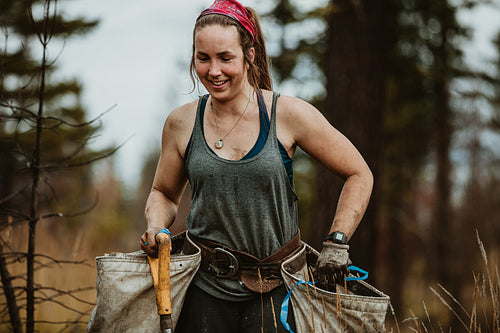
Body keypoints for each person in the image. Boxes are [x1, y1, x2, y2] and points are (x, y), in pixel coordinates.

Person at [140, 0, 373, 331]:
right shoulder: (181, 123)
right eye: (202, 58)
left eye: (226, 58)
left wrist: (337, 240)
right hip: (203, 288)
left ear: (249, 56)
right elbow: (163, 192)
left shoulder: (288, 115)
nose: (213, 70)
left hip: (277, 290)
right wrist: (155, 225)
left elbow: (358, 173)